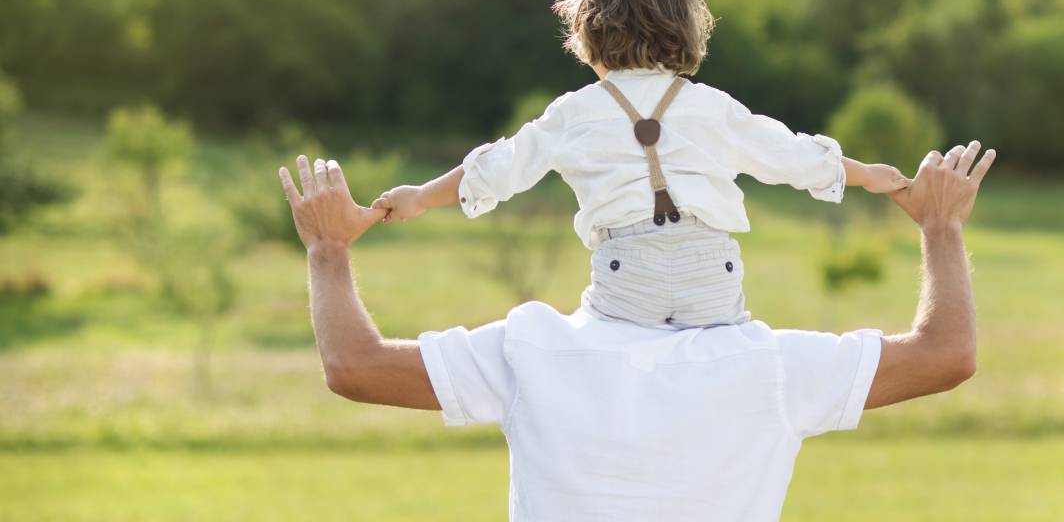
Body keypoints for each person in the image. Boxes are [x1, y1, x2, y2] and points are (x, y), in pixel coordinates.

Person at [277, 140, 995, 522]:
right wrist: (939, 226)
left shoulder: (533, 350)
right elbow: (947, 354)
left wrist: (329, 251)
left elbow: (356, 367)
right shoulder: (769, 368)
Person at [371, 0, 907, 330]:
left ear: (588, 27)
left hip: (626, 273)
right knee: (723, 372)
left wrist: (420, 194)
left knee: (603, 369)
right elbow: (792, 157)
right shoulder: (712, 106)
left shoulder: (574, 112)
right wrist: (872, 175)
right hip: (711, 274)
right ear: (687, 25)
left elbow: (496, 169)